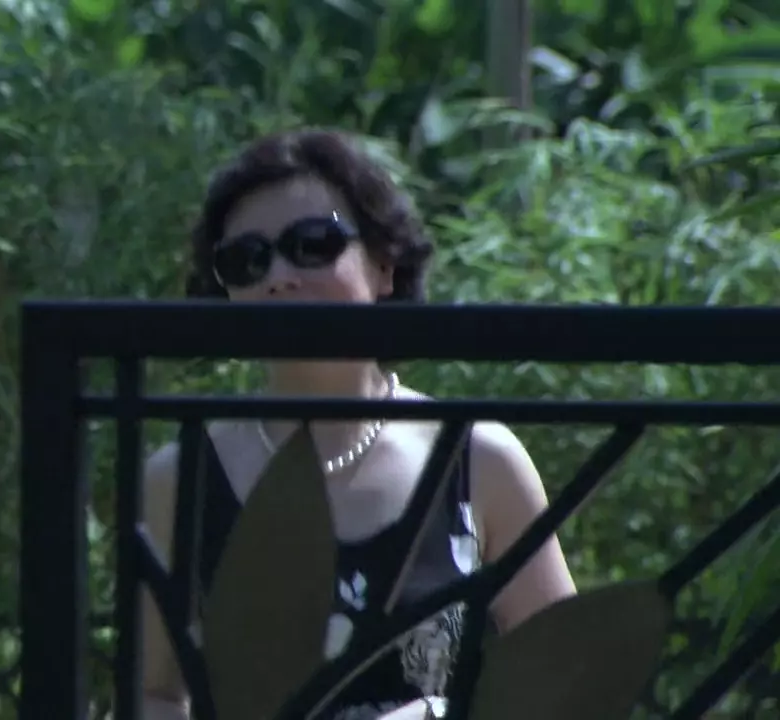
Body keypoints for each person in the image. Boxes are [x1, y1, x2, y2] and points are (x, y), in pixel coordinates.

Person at [139, 129, 577, 720]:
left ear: (384, 265)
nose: (278, 276)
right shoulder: (181, 478)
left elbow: (569, 687)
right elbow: (153, 693)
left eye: (312, 244)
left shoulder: (479, 459)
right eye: (246, 260)